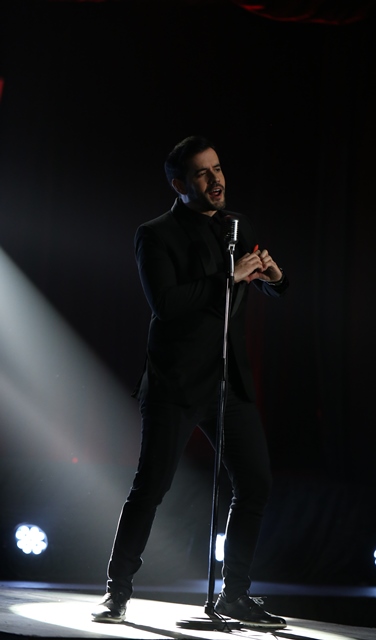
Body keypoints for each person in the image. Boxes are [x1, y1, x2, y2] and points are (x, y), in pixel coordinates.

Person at [92, 135, 289, 626]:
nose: (215, 180)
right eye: (202, 173)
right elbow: (166, 304)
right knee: (151, 487)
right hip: (176, 385)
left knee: (255, 483)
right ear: (180, 185)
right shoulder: (155, 234)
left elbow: (262, 285)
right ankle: (117, 591)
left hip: (228, 383)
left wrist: (274, 278)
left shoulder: (234, 229)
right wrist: (230, 277)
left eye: (217, 168)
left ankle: (234, 594)